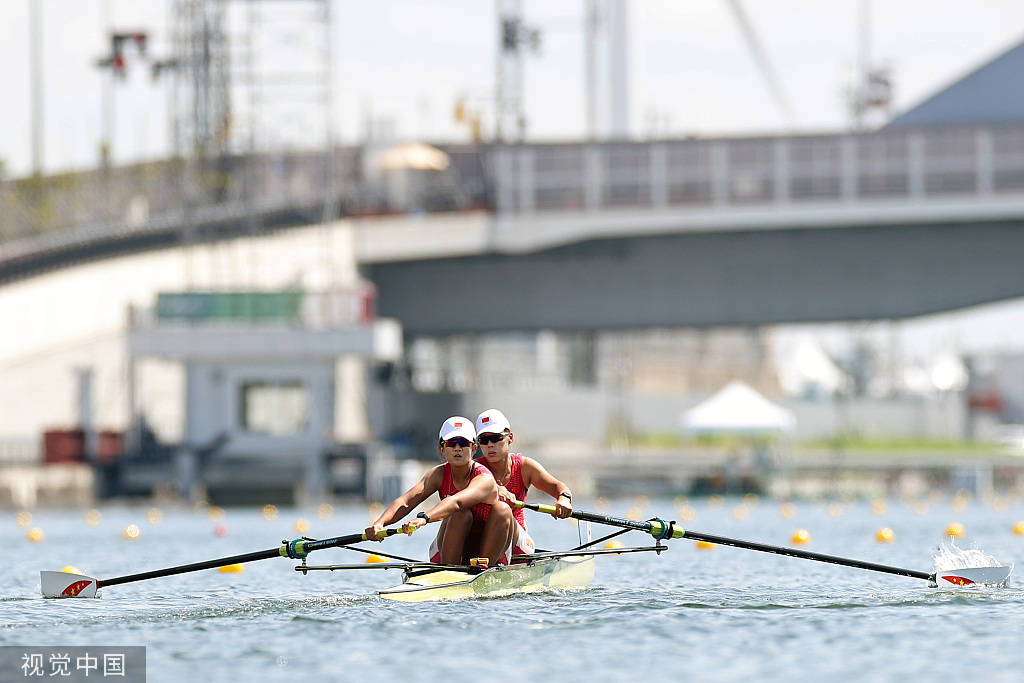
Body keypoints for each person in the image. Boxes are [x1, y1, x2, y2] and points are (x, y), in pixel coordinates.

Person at [363, 416, 519, 566]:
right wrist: (379, 524)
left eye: (463, 443)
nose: (457, 448)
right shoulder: (437, 475)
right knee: (461, 515)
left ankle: (486, 567)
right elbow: (406, 501)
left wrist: (423, 518)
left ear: (474, 448)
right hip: (451, 549)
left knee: (503, 509)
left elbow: (456, 502)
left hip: (489, 551)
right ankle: (449, 570)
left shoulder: (484, 478)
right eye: (452, 443)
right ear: (442, 449)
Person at [473, 408, 574, 559]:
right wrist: (495, 489)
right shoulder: (473, 469)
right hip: (480, 541)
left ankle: (484, 569)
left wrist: (564, 499)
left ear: (510, 437)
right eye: (484, 440)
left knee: (502, 510)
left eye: (496, 438)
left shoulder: (524, 467)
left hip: (518, 545)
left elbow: (558, 487)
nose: (490, 445)